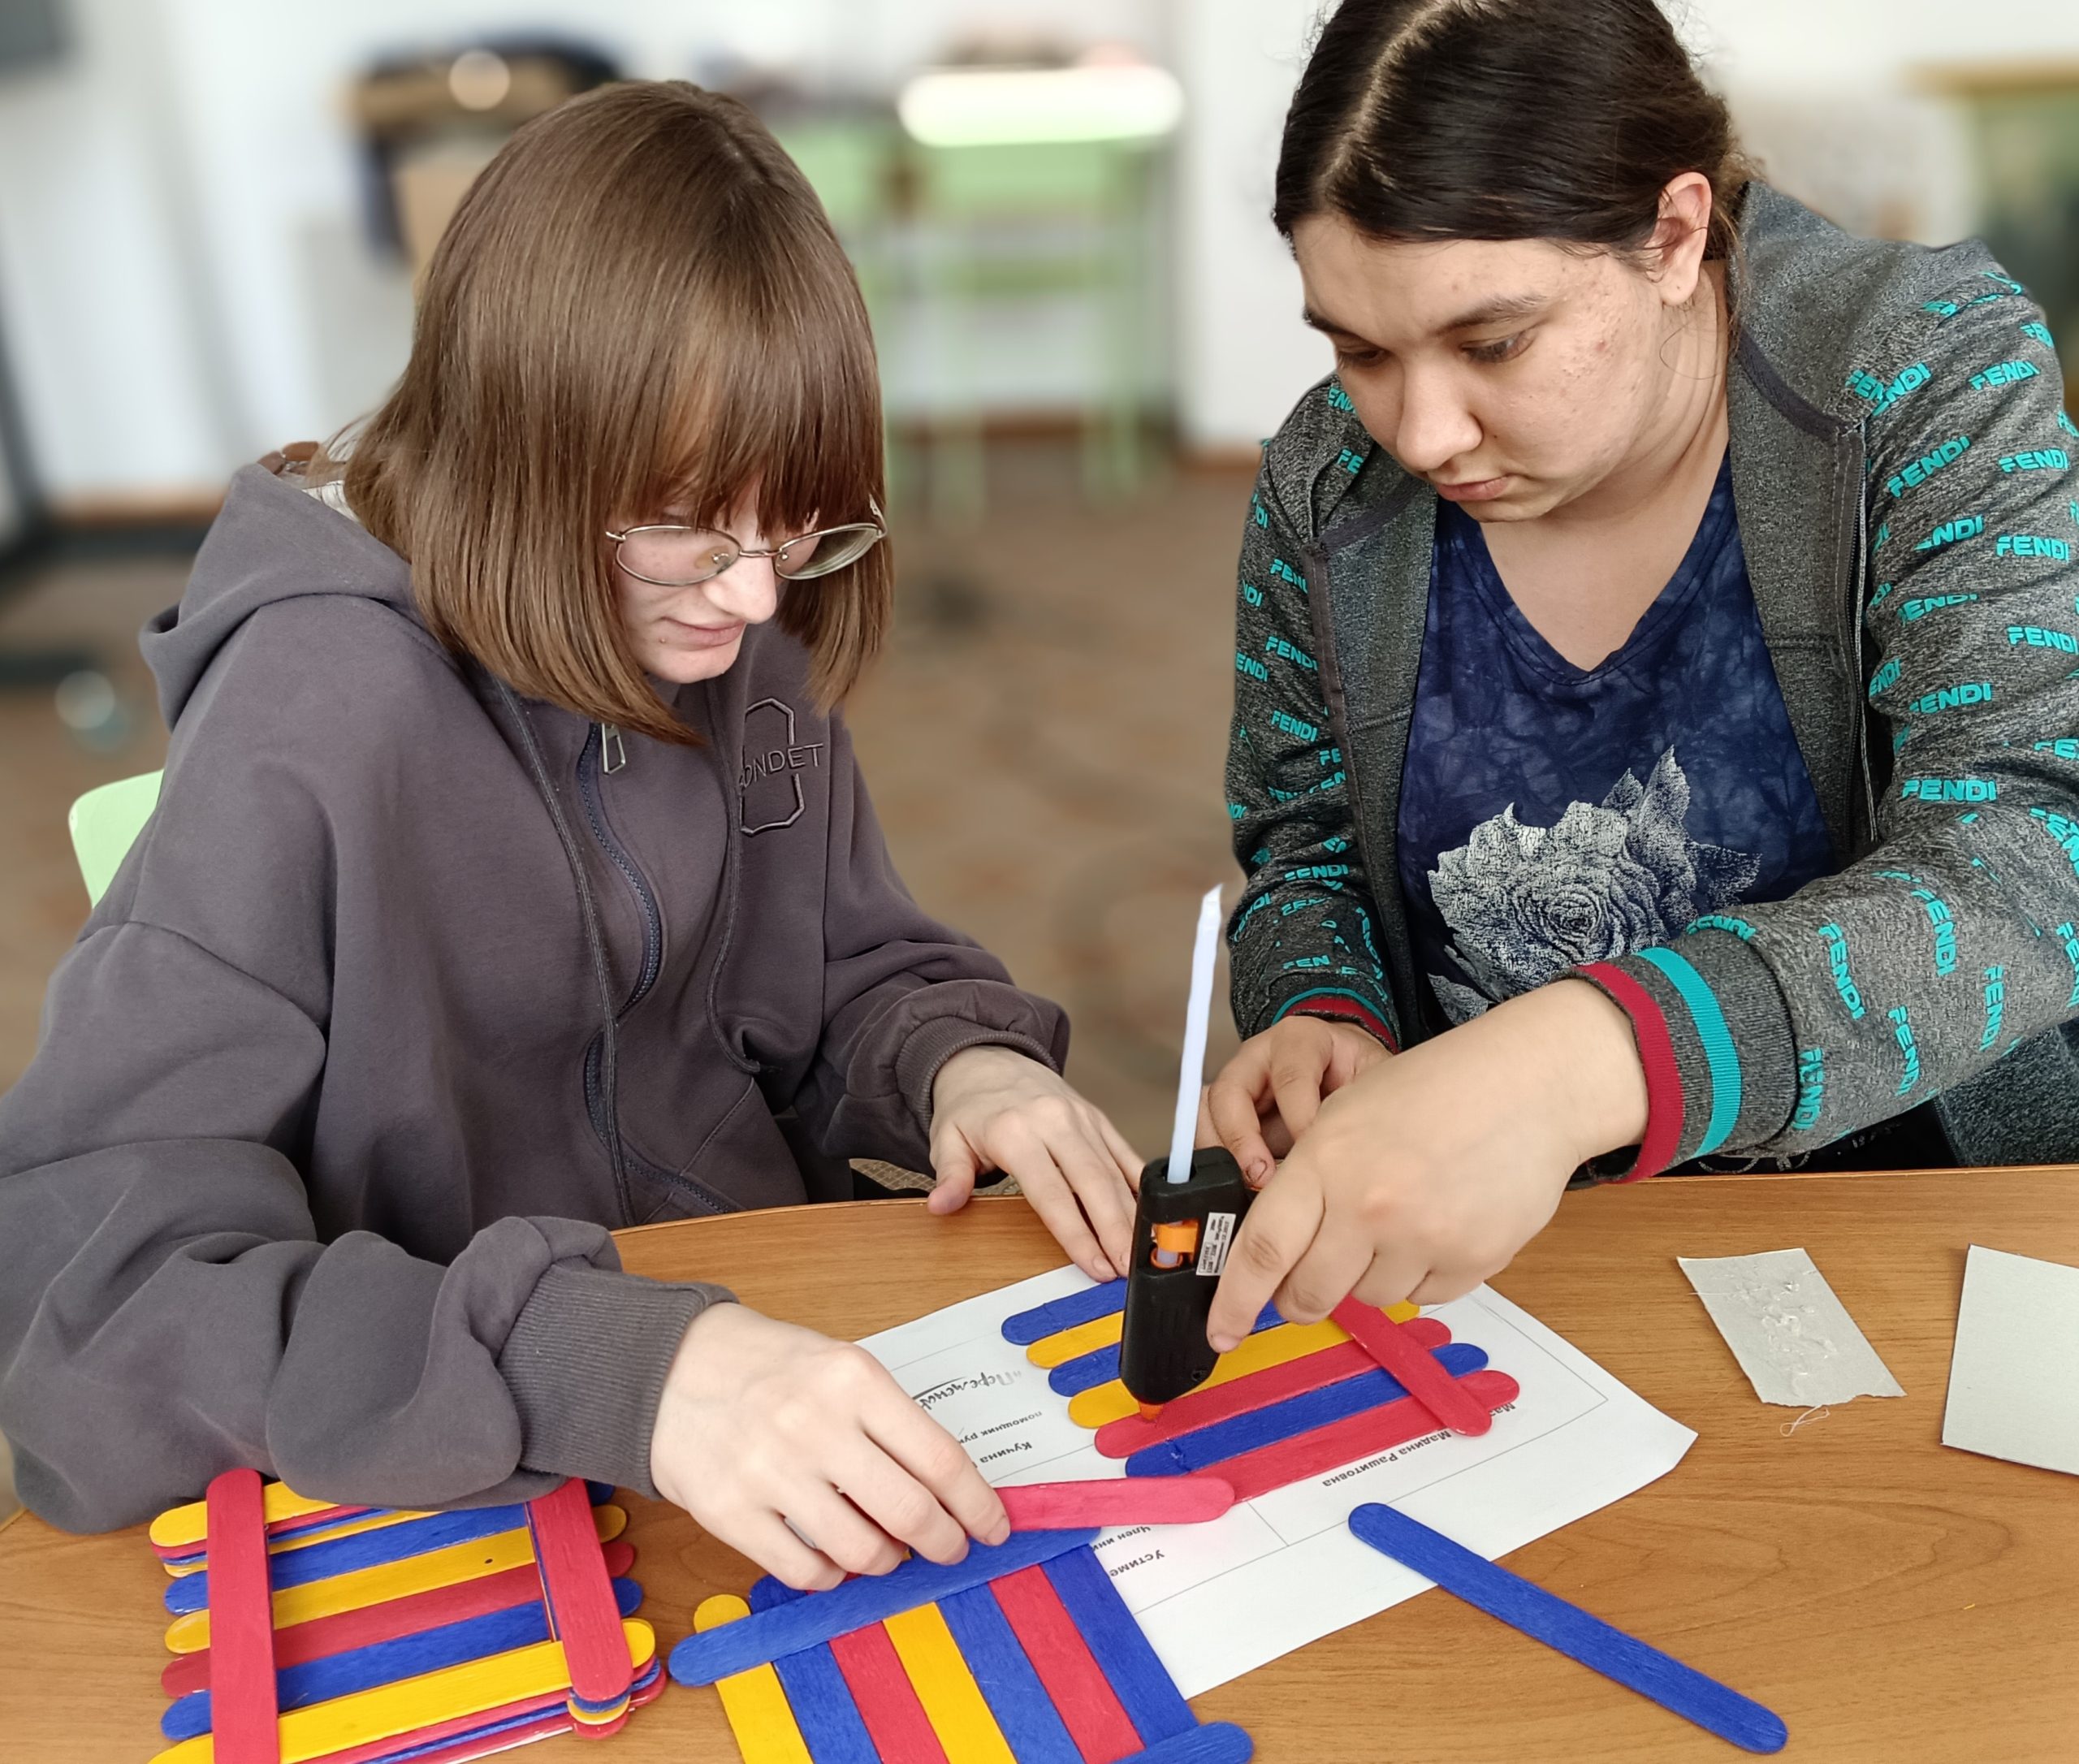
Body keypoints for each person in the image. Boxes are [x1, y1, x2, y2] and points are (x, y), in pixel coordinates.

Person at [0, 83, 1143, 1591]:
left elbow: (838, 968)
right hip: (465, 1462)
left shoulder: (734, 624)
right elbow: (90, 1311)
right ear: (517, 455)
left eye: (798, 527)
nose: (756, 597)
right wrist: (616, 1370)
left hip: (749, 1382)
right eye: (691, 527)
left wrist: (956, 1060)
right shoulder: (314, 713)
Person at [1200, 0, 2079, 1349]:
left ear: (1672, 237)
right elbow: (1307, 845)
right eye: (1360, 350)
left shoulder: (1919, 368)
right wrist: (1325, 1009)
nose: (1421, 432)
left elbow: (2034, 852)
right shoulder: (1327, 480)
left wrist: (1587, 1058)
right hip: (1493, 1274)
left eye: (1494, 342)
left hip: (1914, 1237)